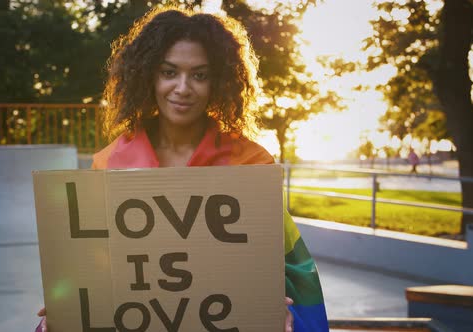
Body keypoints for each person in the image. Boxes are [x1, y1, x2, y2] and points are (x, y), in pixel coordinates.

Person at [36, 6, 328, 332]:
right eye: (169, 72)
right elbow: (95, 269)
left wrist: (278, 304)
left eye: (200, 75)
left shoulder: (251, 163)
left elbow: (284, 267)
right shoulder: (108, 164)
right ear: (148, 75)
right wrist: (69, 306)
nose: (183, 88)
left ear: (218, 81)